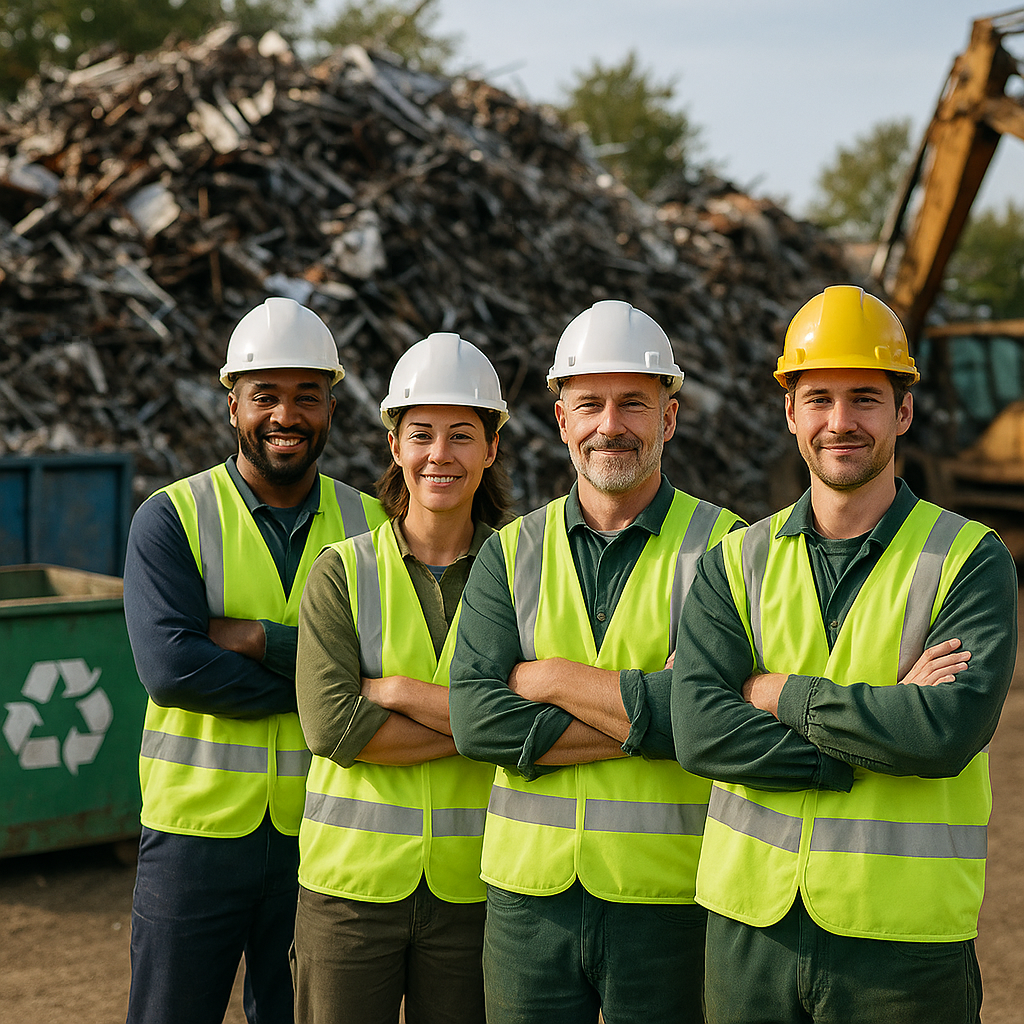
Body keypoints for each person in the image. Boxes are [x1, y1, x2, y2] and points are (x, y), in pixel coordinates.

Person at [671, 284, 1019, 1024]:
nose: (841, 421)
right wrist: (871, 731)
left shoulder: (967, 557)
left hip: (903, 941)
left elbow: (942, 734)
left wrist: (776, 693)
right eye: (819, 397)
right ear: (790, 411)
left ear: (903, 411)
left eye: (865, 397)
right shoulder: (737, 561)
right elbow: (699, 728)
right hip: (749, 931)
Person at [448, 299, 743, 1024]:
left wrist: (548, 680)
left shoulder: (730, 548)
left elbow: (709, 721)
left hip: (669, 896)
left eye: (633, 405)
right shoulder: (509, 551)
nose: (610, 426)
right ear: (561, 421)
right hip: (529, 904)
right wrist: (655, 707)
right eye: (590, 405)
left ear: (667, 419)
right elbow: (476, 722)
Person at [123, 296, 386, 1024]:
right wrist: (334, 685)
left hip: (325, 833)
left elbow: (395, 661)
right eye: (265, 395)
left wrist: (260, 640)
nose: (286, 415)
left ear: (332, 405)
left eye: (308, 396)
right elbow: (173, 670)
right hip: (194, 838)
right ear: (231, 403)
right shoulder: (172, 517)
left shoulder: (373, 526)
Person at [291, 333, 512, 1024]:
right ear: (395, 447)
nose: (439, 455)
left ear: (492, 448)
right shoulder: (342, 569)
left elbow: (536, 723)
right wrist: (490, 723)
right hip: (348, 892)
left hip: (477, 888)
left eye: (461, 435)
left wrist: (397, 693)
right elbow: (332, 727)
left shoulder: (523, 570)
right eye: (421, 435)